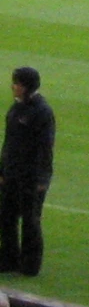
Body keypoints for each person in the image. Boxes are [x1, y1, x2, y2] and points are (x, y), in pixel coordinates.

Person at [1, 67, 53, 276]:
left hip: (31, 177)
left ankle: (30, 265)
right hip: (12, 173)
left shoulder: (42, 112)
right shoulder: (16, 109)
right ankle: (9, 258)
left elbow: (45, 148)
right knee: (6, 216)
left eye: (17, 83)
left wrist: (42, 178)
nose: (13, 87)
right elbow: (8, 143)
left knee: (31, 221)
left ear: (26, 86)